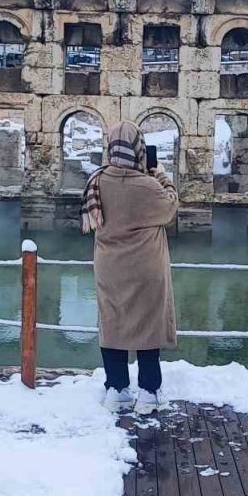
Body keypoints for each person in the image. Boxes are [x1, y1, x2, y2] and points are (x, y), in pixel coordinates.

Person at [82, 121, 178, 414]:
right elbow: (170, 208)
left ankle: (117, 389)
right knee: (148, 325)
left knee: (112, 323)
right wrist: (162, 176)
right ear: (138, 148)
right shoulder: (148, 186)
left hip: (110, 267)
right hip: (146, 268)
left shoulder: (97, 181)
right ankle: (149, 392)